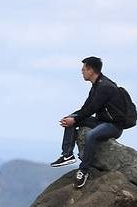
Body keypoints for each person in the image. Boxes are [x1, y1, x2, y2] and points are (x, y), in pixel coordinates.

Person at [51, 56, 129, 189]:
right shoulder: (97, 85)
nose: (82, 72)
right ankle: (67, 155)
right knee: (72, 118)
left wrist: (75, 119)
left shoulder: (105, 87)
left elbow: (93, 108)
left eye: (84, 69)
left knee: (91, 135)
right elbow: (85, 108)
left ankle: (83, 171)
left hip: (113, 126)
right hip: (101, 121)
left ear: (91, 70)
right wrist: (71, 118)